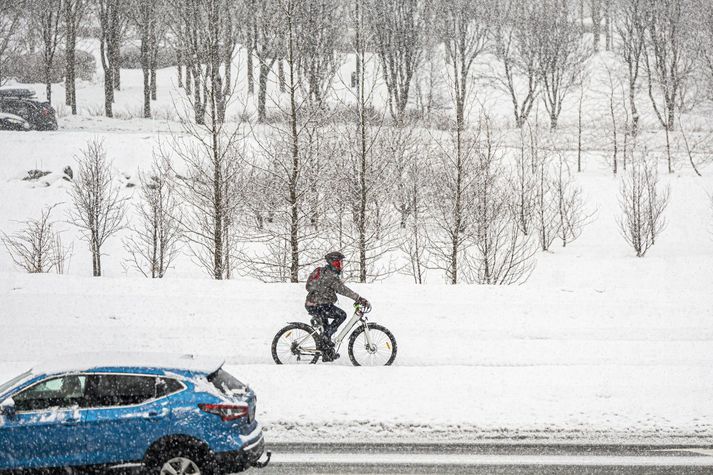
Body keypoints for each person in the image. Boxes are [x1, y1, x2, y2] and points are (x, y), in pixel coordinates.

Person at [305, 251, 370, 362]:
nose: (341, 264)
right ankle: (326, 338)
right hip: (319, 305)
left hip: (316, 304)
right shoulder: (330, 275)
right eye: (339, 262)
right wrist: (358, 298)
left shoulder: (325, 272)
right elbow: (343, 290)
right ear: (333, 262)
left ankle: (327, 354)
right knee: (341, 315)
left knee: (327, 330)